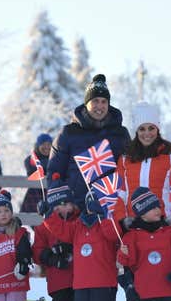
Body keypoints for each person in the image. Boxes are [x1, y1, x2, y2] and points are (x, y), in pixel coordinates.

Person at [44, 191, 122, 301]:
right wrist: (48, 215)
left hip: (103, 282)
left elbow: (113, 236)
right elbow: (61, 230)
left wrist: (103, 216)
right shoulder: (77, 226)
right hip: (81, 283)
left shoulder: (108, 224)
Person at [48, 74, 131, 210]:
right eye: (95, 101)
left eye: (104, 101)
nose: (100, 106)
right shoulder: (68, 133)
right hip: (75, 209)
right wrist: (60, 203)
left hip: (110, 207)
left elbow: (130, 170)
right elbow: (55, 173)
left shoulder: (120, 134)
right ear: (86, 104)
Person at [116, 101, 171, 233]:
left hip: (164, 227)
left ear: (157, 129)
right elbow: (119, 194)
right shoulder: (125, 160)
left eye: (151, 128)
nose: (147, 133)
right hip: (133, 229)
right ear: (136, 131)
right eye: (142, 129)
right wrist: (122, 221)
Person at [32, 182, 78, 301]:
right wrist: (50, 257)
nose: (65, 208)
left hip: (80, 279)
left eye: (67, 203)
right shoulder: (44, 227)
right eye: (60, 204)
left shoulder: (79, 222)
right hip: (59, 280)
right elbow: (37, 251)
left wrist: (70, 247)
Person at [21, 133, 52, 213]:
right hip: (34, 195)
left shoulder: (56, 159)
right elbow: (33, 172)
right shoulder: (31, 159)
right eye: (43, 144)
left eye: (49, 144)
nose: (47, 147)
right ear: (38, 146)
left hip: (51, 194)